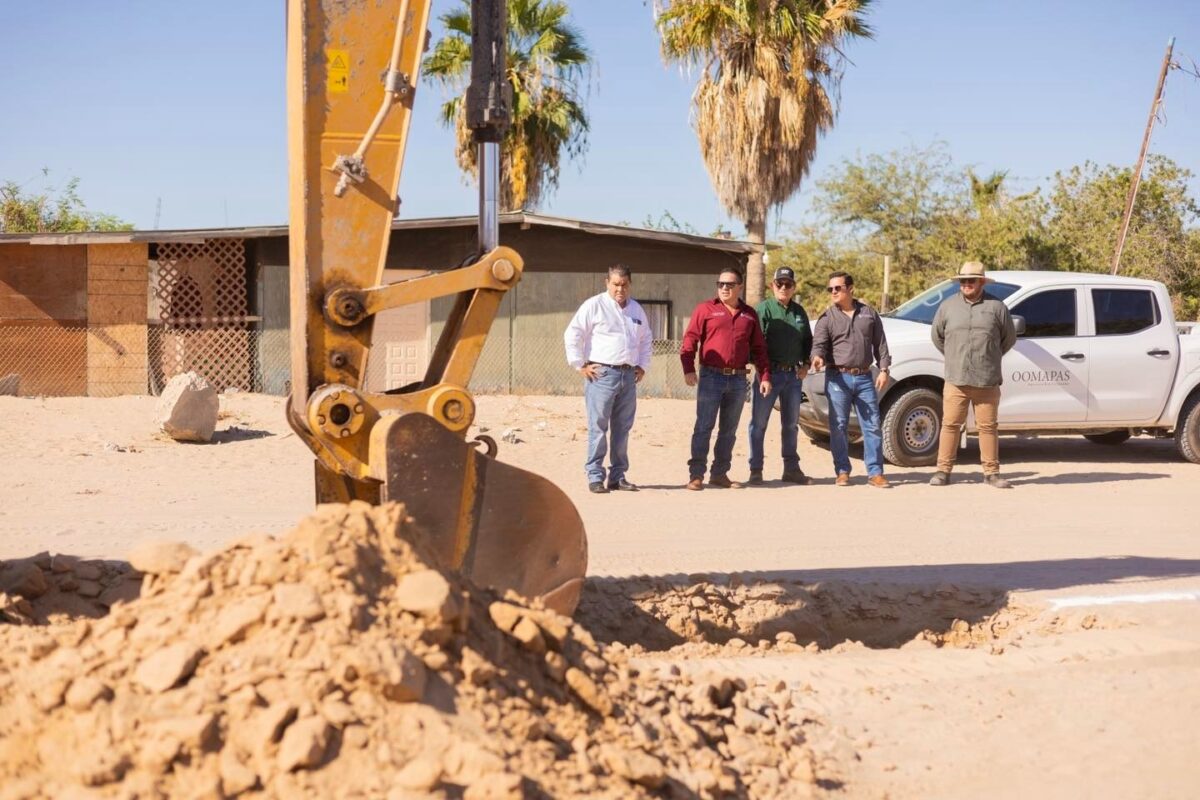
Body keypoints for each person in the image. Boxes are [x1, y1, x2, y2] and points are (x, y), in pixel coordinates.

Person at [563, 264, 653, 493]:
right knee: (598, 427)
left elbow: (646, 339)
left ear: (629, 284)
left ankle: (618, 476)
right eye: (615, 284)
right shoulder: (594, 305)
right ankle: (595, 476)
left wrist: (643, 365)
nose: (619, 289)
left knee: (622, 428)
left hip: (628, 376)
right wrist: (579, 364)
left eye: (624, 285)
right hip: (602, 374)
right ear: (607, 283)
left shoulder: (636, 310)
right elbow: (573, 333)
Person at [680, 267, 771, 490]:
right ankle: (696, 474)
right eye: (720, 284)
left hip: (739, 380)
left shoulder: (749, 314)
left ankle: (720, 473)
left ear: (739, 287)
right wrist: (688, 368)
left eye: (729, 285)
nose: (724, 288)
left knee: (728, 430)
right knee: (703, 427)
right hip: (711, 377)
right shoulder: (706, 309)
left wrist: (765, 375)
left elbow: (759, 348)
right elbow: (691, 339)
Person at [929, 261, 1018, 488]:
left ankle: (992, 473)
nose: (966, 284)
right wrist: (954, 356)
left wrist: (989, 356)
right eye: (963, 281)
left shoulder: (997, 308)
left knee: (988, 427)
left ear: (981, 282)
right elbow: (937, 337)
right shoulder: (947, 307)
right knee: (950, 424)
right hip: (956, 378)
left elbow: (1008, 339)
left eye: (971, 280)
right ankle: (942, 471)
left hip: (986, 379)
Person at [810, 271, 892, 488]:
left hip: (865, 378)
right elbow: (819, 344)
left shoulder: (869, 313)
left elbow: (881, 344)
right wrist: (817, 357)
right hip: (838, 378)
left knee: (872, 425)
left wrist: (884, 369)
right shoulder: (827, 318)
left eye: (838, 288)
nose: (833, 292)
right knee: (839, 425)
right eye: (830, 289)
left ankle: (875, 473)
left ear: (850, 288)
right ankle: (842, 471)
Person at [747, 266, 813, 485]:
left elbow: (808, 342)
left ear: (794, 287)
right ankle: (756, 469)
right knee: (759, 423)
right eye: (779, 284)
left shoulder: (799, 312)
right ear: (772, 285)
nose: (784, 288)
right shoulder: (763, 310)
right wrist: (762, 372)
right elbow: (755, 344)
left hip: (793, 377)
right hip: (768, 375)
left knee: (791, 425)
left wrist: (806, 363)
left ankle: (791, 469)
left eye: (788, 284)